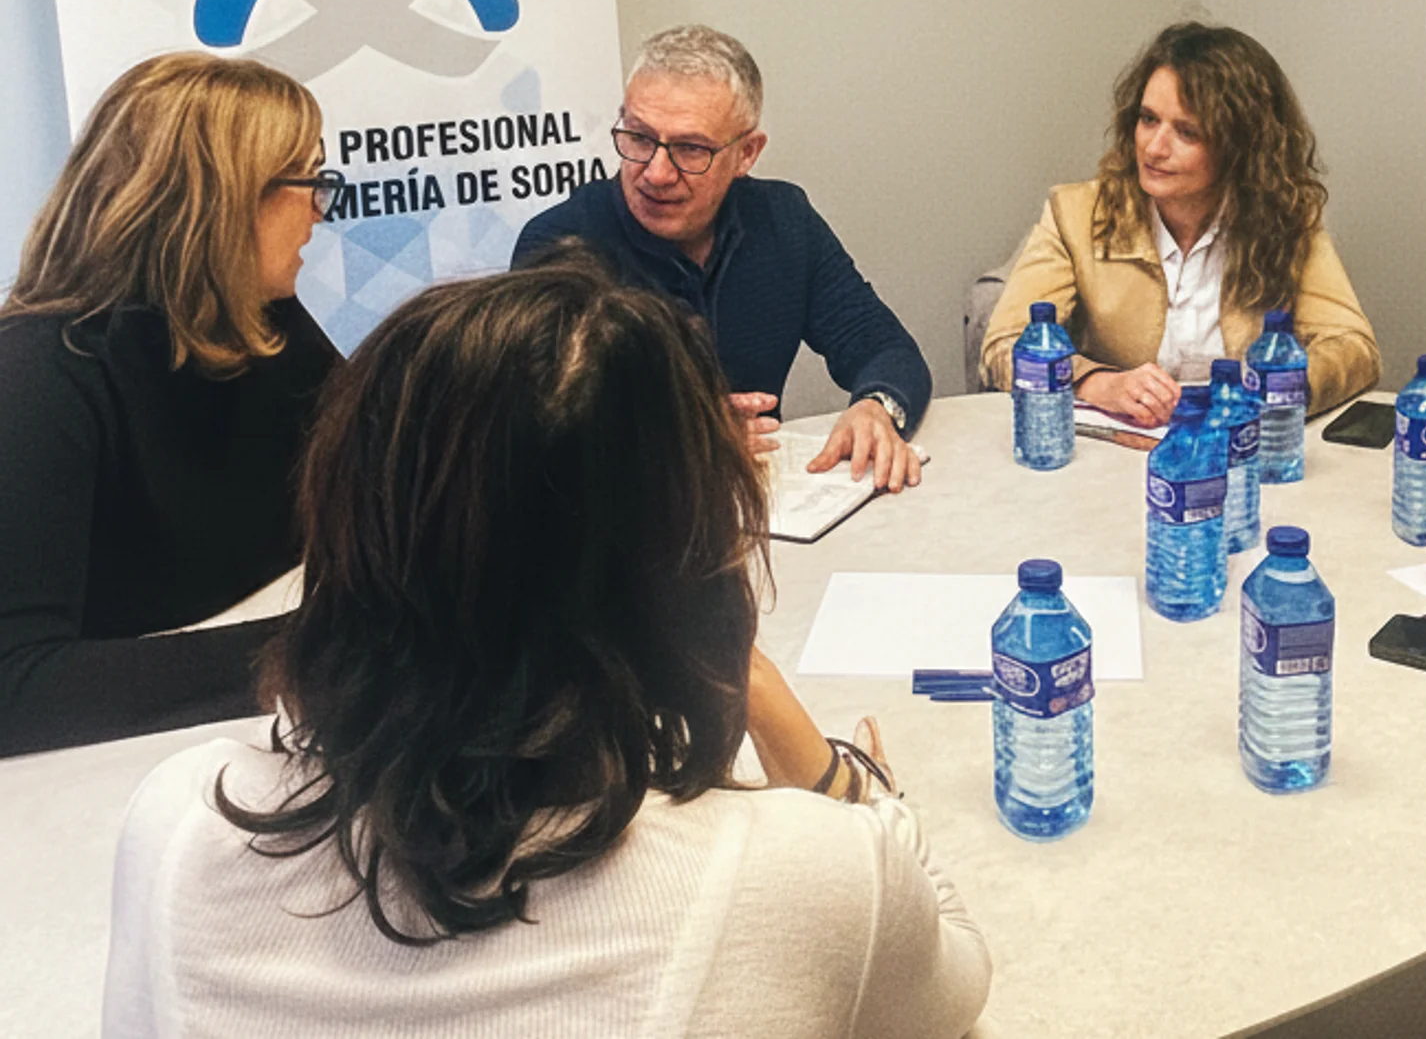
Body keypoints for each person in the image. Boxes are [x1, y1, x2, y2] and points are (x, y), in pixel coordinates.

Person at [101, 256, 991, 1037]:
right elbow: (953, 987)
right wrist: (855, 790)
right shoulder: (809, 876)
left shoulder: (181, 824)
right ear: (689, 559)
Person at [0, 53, 341, 758]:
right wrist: (321, 650)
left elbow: (381, 471)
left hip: (238, 745)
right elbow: (17, 687)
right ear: (220, 202)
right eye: (308, 181)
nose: (319, 208)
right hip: (98, 785)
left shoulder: (266, 321)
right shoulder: (34, 375)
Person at [513, 24, 930, 495]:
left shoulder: (784, 220)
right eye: (639, 138)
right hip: (619, 525)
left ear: (746, 154)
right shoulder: (561, 243)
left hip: (764, 513)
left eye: (690, 149)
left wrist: (877, 408)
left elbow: (884, 348)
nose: (656, 172)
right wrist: (683, 441)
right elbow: (535, 432)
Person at [982, 22, 1380, 428]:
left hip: (1240, 446)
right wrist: (1096, 382)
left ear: (1240, 147)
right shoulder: (1077, 214)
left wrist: (1272, 388)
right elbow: (1004, 344)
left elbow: (1354, 348)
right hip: (1116, 452)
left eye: (1187, 132)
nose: (1154, 148)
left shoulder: (1286, 217)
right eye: (1148, 119)